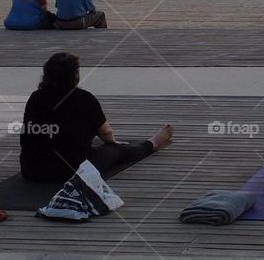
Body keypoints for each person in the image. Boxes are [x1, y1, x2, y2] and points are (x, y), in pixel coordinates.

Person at [20, 52, 173, 182]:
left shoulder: (35, 97)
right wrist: (113, 144)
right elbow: (106, 133)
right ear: (74, 75)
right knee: (116, 151)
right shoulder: (84, 98)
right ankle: (152, 143)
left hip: (32, 170)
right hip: (72, 171)